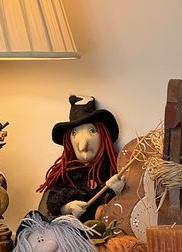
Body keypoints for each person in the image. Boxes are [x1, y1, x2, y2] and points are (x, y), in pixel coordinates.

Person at [38, 95, 125, 225]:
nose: (82, 145)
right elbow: (49, 210)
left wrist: (119, 193)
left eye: (92, 131)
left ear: (104, 136)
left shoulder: (114, 169)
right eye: (74, 133)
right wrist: (66, 209)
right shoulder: (66, 175)